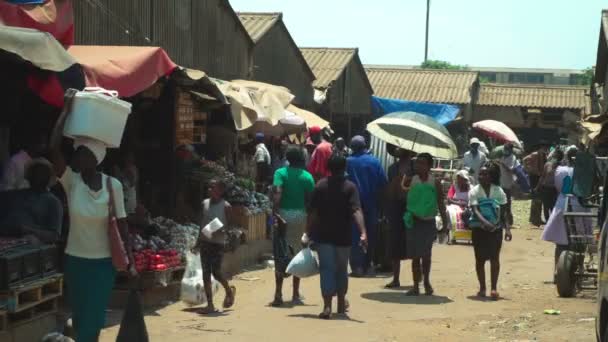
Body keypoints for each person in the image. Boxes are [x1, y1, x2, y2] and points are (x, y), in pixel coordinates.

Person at [49, 89, 136, 342]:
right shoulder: (71, 182)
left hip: (102, 264)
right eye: (77, 153)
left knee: (94, 319)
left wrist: (130, 262)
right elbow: (52, 147)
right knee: (79, 316)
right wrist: (66, 109)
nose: (76, 157)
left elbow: (123, 227)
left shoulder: (113, 187)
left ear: (95, 158)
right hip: (75, 261)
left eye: (82, 154)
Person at [306, 154, 367, 319]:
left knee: (326, 269)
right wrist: (363, 232)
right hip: (344, 237)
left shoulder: (320, 186)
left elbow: (313, 213)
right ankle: (340, 303)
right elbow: (356, 210)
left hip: (323, 236)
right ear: (344, 168)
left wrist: (307, 231)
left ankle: (327, 307)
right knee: (341, 269)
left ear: (328, 168)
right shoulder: (350, 187)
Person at [271, 147, 315, 306]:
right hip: (300, 216)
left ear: (288, 159)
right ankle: (295, 293)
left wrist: (275, 213)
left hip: (283, 215)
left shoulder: (280, 173)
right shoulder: (307, 176)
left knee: (280, 252)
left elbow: (277, 193)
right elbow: (311, 201)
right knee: (297, 253)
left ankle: (278, 294)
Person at [541, 147, 592, 282]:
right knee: (580, 241)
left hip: (562, 204)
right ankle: (579, 269)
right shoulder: (585, 172)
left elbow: (551, 183)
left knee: (561, 243)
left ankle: (558, 272)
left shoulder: (560, 170)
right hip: (580, 205)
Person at [401, 153, 448, 296]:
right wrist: (407, 174)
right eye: (417, 163)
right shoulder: (411, 179)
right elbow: (402, 191)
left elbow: (441, 203)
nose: (419, 166)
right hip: (413, 221)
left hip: (428, 222)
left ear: (429, 166)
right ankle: (416, 285)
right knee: (415, 256)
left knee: (426, 255)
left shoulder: (435, 182)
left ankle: (426, 281)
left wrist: (445, 223)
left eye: (422, 163)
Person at [469, 163, 512, 300]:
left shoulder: (498, 191)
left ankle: (493, 288)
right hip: (479, 230)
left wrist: (508, 229)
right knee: (479, 259)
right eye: (480, 174)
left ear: (491, 176)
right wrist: (485, 223)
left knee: (494, 258)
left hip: (496, 229)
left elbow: (505, 212)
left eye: (485, 174)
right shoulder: (474, 191)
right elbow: (475, 211)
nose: (481, 176)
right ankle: (482, 288)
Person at [192, 179, 236, 314]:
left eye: (213, 187)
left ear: (220, 191)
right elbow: (202, 224)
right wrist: (198, 242)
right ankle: (210, 304)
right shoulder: (204, 203)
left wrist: (221, 231)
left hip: (218, 243)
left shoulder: (226, 206)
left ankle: (229, 290)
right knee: (206, 272)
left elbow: (231, 226)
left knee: (216, 273)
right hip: (205, 242)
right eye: (209, 187)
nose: (209, 189)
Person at [346, 136, 387, 277]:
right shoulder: (375, 162)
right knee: (370, 233)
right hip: (372, 203)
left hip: (353, 204)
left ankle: (357, 266)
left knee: (355, 233)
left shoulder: (348, 162)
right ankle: (368, 264)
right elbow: (383, 183)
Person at [0, 158, 63, 244]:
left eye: (42, 173)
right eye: (35, 173)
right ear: (29, 176)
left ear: (49, 177)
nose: (38, 176)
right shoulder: (15, 195)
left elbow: (54, 236)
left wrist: (28, 230)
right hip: (6, 239)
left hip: (30, 244)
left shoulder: (53, 202)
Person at [384, 146, 415, 288]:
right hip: (395, 208)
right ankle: (396, 278)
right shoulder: (392, 168)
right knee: (394, 243)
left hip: (413, 208)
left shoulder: (416, 168)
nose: (397, 150)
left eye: (401, 148)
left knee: (415, 244)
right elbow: (389, 189)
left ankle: (417, 280)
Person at [523, 145, 548, 226]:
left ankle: (536, 218)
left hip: (539, 177)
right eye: (544, 148)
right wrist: (527, 169)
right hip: (534, 176)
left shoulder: (544, 155)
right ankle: (535, 219)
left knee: (538, 198)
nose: (545, 150)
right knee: (536, 197)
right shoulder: (535, 154)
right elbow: (525, 159)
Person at [536, 149, 564, 222]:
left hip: (555, 189)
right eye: (555, 155)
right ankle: (548, 222)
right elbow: (542, 176)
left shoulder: (562, 167)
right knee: (546, 206)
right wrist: (537, 187)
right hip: (546, 188)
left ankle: (552, 222)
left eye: (557, 156)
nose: (555, 157)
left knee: (553, 207)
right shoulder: (548, 164)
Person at [498, 143, 519, 227]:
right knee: (501, 203)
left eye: (507, 149)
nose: (505, 150)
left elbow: (511, 169)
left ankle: (509, 221)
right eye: (505, 148)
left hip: (508, 183)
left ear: (510, 150)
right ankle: (502, 220)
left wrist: (502, 164)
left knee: (507, 203)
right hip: (501, 182)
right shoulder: (503, 157)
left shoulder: (512, 158)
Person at [446, 170, 472, 237]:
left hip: (468, 207)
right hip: (454, 205)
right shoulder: (454, 186)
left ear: (465, 179)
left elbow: (471, 201)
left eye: (460, 178)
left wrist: (464, 204)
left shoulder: (471, 188)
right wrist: (459, 203)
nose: (458, 180)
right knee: (449, 211)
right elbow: (449, 199)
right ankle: (451, 233)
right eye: (458, 178)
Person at [113, 152, 139, 217]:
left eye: (131, 158)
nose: (130, 160)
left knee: (132, 215)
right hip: (121, 196)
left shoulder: (134, 168)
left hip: (132, 196)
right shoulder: (116, 168)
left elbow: (135, 184)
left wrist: (137, 199)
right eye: (128, 157)